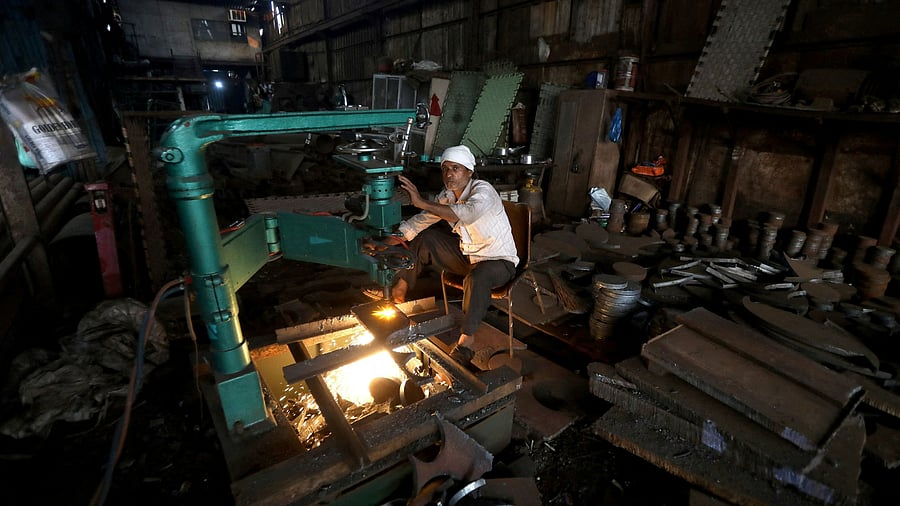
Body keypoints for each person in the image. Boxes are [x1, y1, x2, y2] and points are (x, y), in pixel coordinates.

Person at [381, 145, 519, 365]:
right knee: (426, 238)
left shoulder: (483, 191)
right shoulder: (447, 196)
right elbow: (423, 220)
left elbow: (468, 213)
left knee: (477, 278)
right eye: (445, 169)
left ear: (469, 172)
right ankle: (400, 289)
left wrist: (421, 201)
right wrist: (393, 239)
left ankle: (466, 341)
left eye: (456, 168)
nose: (449, 174)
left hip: (498, 263)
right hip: (469, 258)